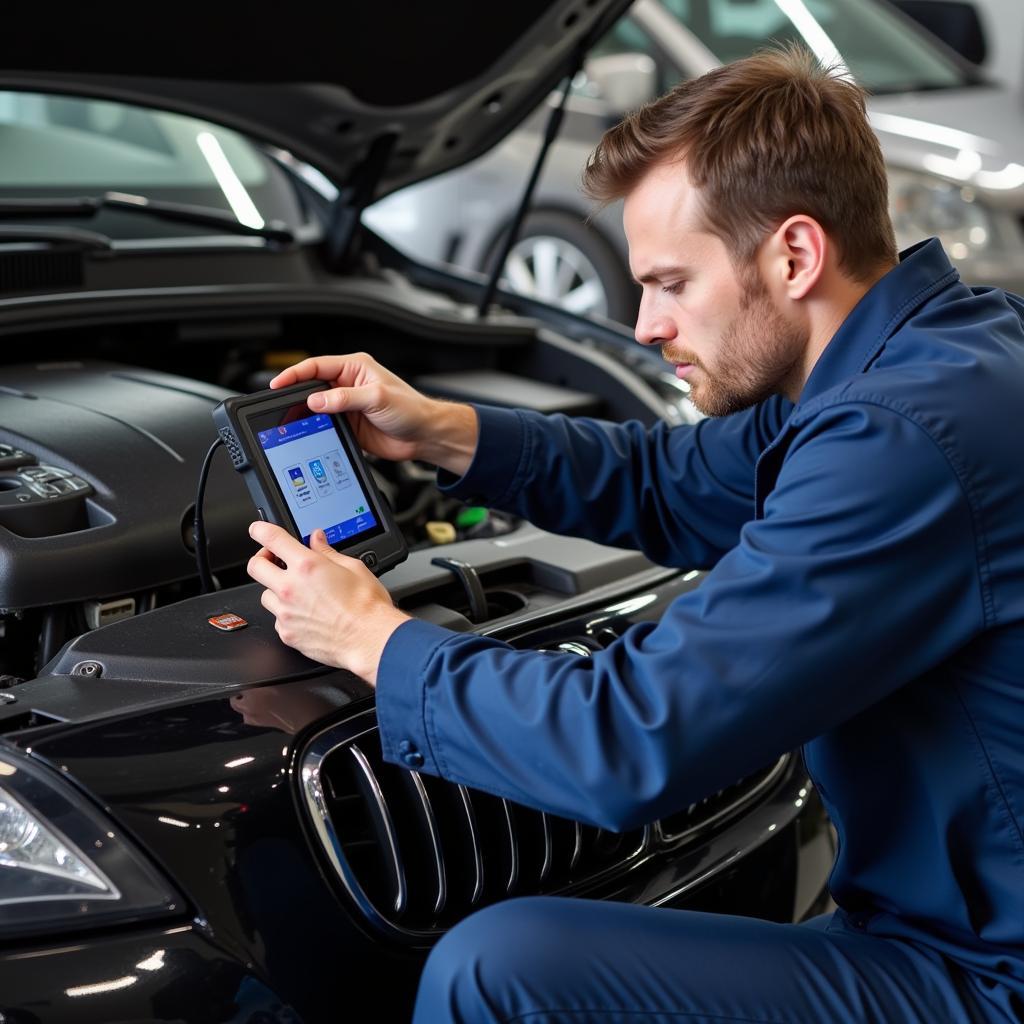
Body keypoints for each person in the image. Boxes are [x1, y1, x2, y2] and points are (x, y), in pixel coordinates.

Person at [245, 46, 1024, 1023]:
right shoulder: (940, 352)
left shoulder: (902, 438)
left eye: (669, 283)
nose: (646, 323)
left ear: (793, 254)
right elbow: (671, 480)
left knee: (504, 967)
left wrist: (371, 637)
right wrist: (445, 431)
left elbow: (627, 742)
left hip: (982, 979)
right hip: (945, 931)